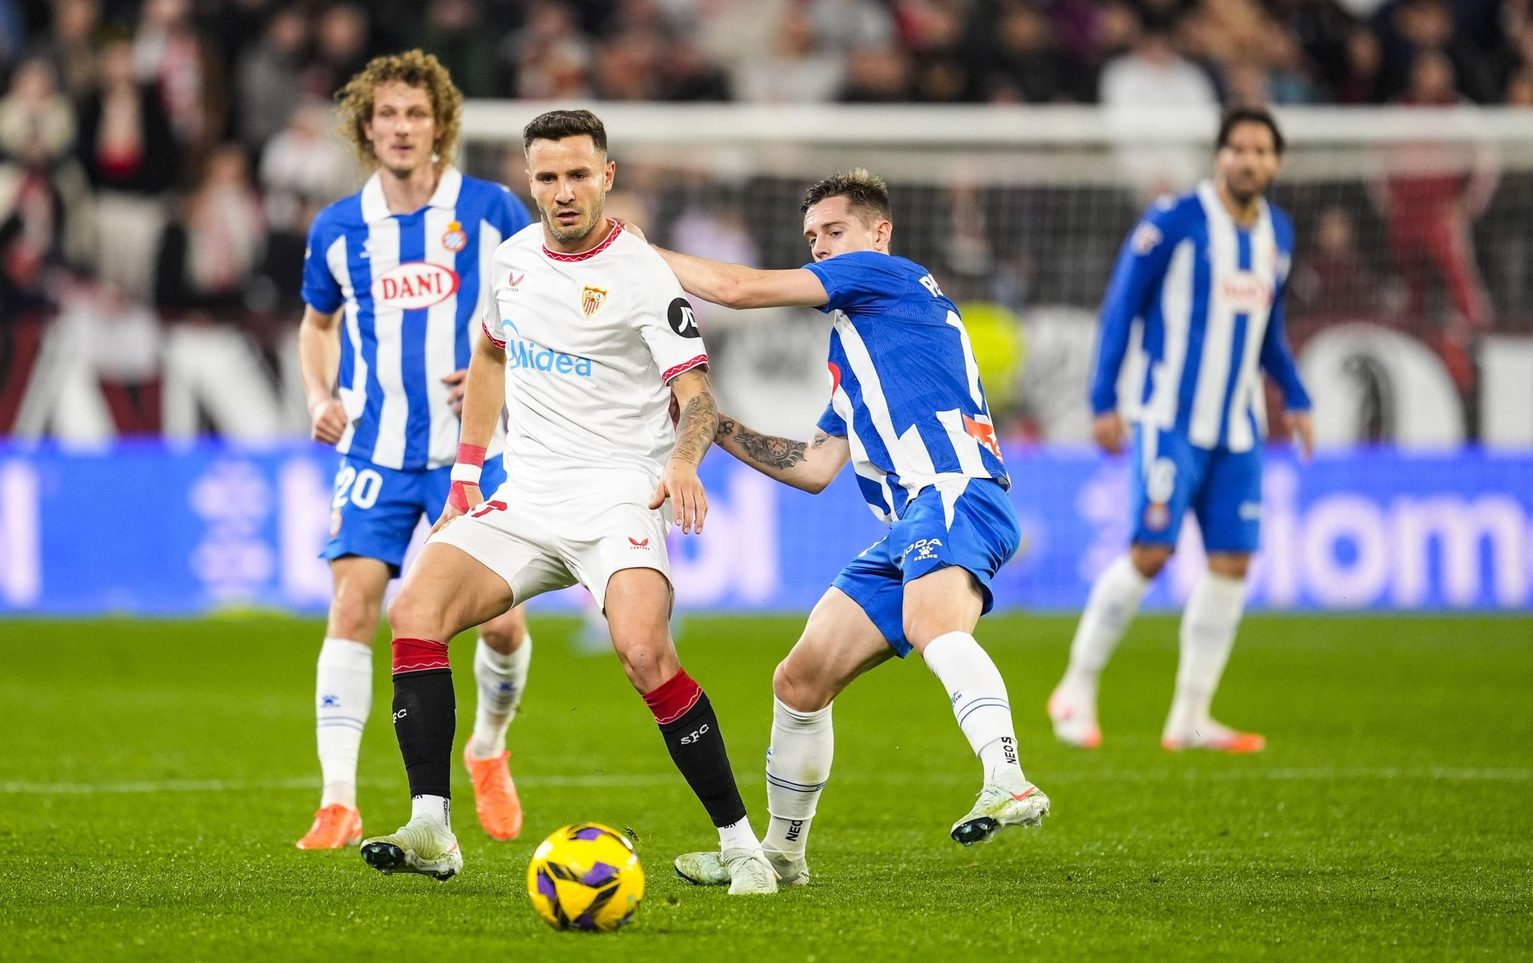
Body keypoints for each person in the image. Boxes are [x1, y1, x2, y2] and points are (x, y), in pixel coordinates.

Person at [358, 109, 780, 896]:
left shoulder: (643, 273)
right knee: (414, 610)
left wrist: (683, 462)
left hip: (619, 497)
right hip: (527, 496)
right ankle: (431, 827)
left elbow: (698, 395)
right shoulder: (513, 260)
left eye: (578, 174)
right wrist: (467, 472)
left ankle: (740, 844)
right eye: (548, 176)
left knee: (645, 653)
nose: (563, 191)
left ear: (606, 177)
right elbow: (490, 356)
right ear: (530, 180)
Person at [638, 168, 1049, 890]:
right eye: (812, 238)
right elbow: (814, 465)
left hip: (953, 489)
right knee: (800, 680)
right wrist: (709, 422)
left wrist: (635, 253)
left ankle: (1008, 778)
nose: (822, 247)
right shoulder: (861, 351)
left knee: (932, 625)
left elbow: (736, 288)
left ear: (878, 234)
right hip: (909, 522)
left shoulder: (889, 277)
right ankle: (783, 855)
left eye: (834, 232)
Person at [294, 50, 534, 851]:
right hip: (376, 449)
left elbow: (546, 303)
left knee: (501, 627)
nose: (401, 128)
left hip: (476, 449)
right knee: (353, 606)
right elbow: (316, 326)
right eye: (388, 115)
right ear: (366, 128)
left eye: (416, 114)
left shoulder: (493, 210)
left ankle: (488, 749)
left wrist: (508, 370)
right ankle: (337, 800)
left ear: (441, 126)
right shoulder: (338, 228)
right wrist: (318, 396)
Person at [1049, 106, 1315, 754]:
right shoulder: (1173, 221)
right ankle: (1075, 688)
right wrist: (1104, 400)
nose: (1248, 160)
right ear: (1218, 156)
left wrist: (1297, 394)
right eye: (1237, 148)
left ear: (1275, 163)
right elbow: (1122, 308)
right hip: (1169, 420)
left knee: (1232, 563)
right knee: (1151, 552)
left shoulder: (1278, 232)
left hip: (1239, 430)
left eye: (1261, 150)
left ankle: (1191, 718)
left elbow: (1268, 331)